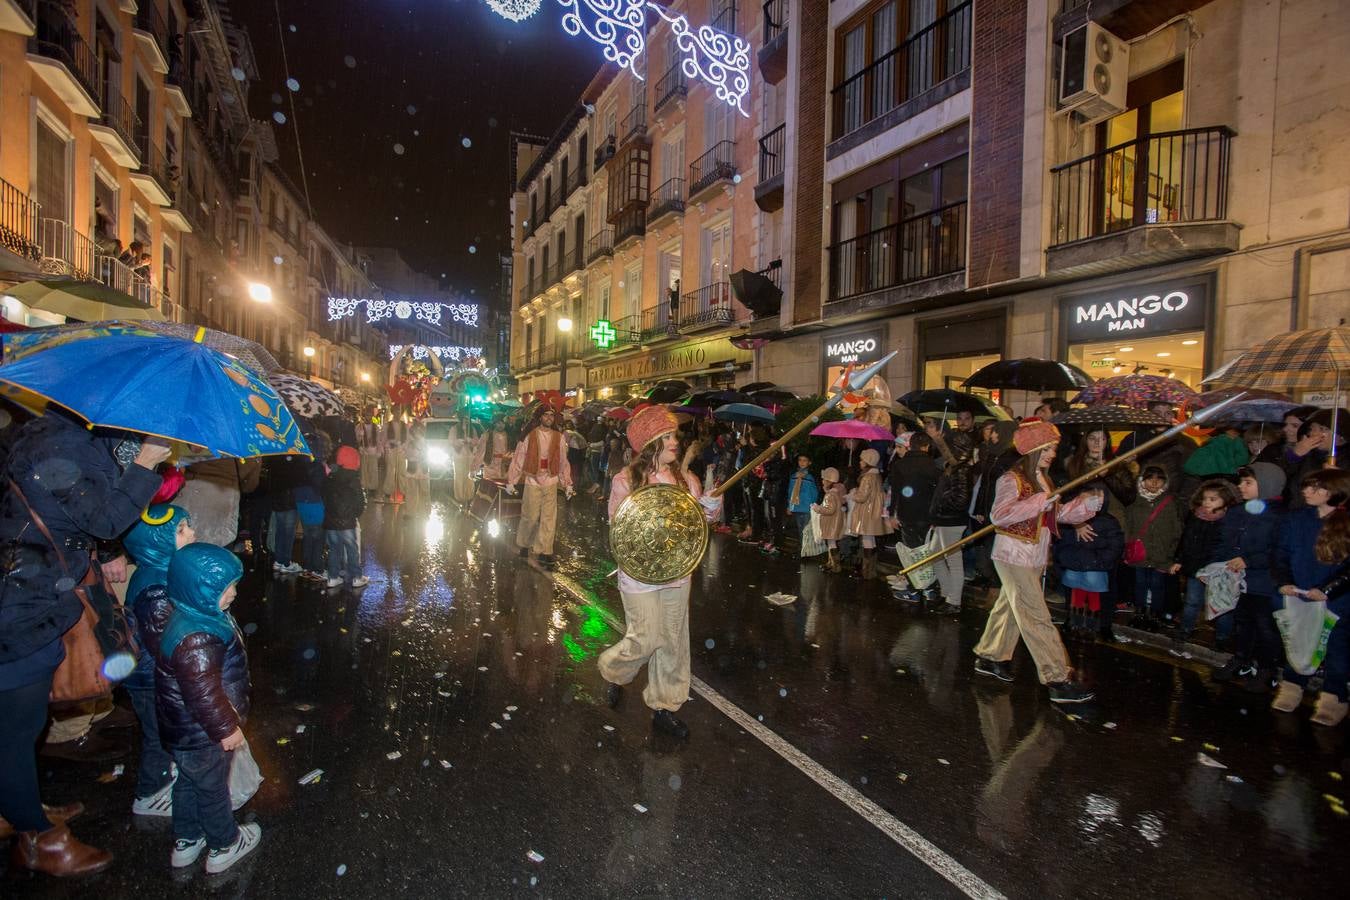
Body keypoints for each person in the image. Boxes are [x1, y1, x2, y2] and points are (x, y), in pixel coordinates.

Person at [0, 414, 168, 876]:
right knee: (16, 727)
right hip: (21, 602)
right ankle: (39, 839)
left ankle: (18, 806)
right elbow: (104, 518)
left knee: (22, 723)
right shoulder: (61, 445)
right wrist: (148, 461)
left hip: (29, 590)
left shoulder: (45, 432)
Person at [599, 407, 721, 739]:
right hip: (638, 577)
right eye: (668, 436)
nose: (675, 442)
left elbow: (700, 526)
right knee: (645, 638)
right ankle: (614, 672)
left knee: (672, 640)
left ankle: (665, 706)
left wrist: (709, 509)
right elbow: (619, 528)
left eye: (674, 436)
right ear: (651, 441)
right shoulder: (624, 481)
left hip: (678, 575)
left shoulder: (688, 481)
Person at [971, 418, 1101, 704]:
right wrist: (1039, 501)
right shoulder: (1011, 479)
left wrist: (1085, 506)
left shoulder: (1042, 479)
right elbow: (1001, 515)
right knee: (1035, 615)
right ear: (1031, 451)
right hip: (1013, 555)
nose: (1051, 455)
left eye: (1052, 449)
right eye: (1045, 450)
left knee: (1009, 608)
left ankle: (990, 655)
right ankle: (1057, 677)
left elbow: (1056, 515)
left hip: (1035, 555)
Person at [156, 543, 260, 873]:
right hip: (204, 734)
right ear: (199, 590)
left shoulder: (193, 616)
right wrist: (226, 728)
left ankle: (186, 839)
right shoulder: (197, 637)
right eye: (224, 587)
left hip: (184, 732)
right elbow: (204, 694)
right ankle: (223, 844)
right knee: (213, 788)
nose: (233, 593)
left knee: (187, 782)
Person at [122, 504, 195, 818]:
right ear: (157, 541)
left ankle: (165, 774)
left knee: (163, 730)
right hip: (152, 678)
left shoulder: (162, 572)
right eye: (181, 530)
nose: (192, 533)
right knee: (158, 735)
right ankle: (149, 793)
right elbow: (165, 642)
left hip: (153, 675)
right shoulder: (156, 588)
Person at [1270, 468, 1350, 726]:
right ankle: (1292, 688)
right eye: (1307, 486)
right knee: (1299, 642)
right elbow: (1280, 553)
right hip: (1299, 594)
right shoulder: (1296, 519)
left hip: (1337, 600)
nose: (1307, 492)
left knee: (1337, 648)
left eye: (1316, 487)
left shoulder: (1345, 523)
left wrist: (1327, 590)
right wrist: (1284, 581)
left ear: (1334, 491)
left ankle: (1334, 699)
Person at [1212, 463, 1287, 692]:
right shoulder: (1237, 512)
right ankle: (1242, 658)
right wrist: (1220, 564)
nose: (1240, 486)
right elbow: (1225, 541)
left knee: (1265, 626)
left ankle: (1267, 667)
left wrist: (1250, 560)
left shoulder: (1280, 516)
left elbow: (1279, 549)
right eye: (1242, 482)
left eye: (1248, 482)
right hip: (1239, 578)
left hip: (1265, 581)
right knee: (1243, 623)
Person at [506, 407, 574, 570]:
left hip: (551, 480)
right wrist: (511, 480)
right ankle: (524, 544)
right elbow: (518, 458)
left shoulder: (559, 437)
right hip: (532, 480)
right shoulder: (530, 435)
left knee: (549, 518)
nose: (549, 418)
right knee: (530, 515)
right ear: (540, 417)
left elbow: (564, 461)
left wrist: (568, 484)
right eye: (546, 415)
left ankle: (545, 551)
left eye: (552, 415)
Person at [1173, 479, 1240, 642]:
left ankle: (1222, 637)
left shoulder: (1230, 519)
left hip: (1218, 569)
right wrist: (1179, 559)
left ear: (1225, 499)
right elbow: (1186, 538)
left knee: (1221, 605)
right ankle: (1185, 629)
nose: (1207, 503)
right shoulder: (1196, 515)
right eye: (1205, 498)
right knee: (1191, 601)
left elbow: (1226, 545)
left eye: (1212, 499)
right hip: (1195, 567)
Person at [1053, 485, 1124, 636]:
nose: (1094, 501)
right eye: (1089, 498)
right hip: (1076, 566)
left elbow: (1115, 546)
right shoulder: (1070, 521)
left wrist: (1096, 561)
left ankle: (1098, 626)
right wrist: (1070, 559)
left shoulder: (1109, 522)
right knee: (1075, 596)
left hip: (1097, 567)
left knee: (1097, 598)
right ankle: (1073, 623)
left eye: (1099, 498)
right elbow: (1061, 544)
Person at [1123, 465, 1183, 629]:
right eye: (1150, 478)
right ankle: (1140, 613)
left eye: (1159, 479)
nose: (1154, 483)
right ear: (1143, 481)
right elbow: (1128, 525)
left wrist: (1172, 552)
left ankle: (1155, 616)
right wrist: (1128, 547)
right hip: (1140, 553)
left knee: (1158, 585)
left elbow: (1177, 529)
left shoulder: (1170, 502)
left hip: (1161, 554)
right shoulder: (1134, 501)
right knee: (1140, 583)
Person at [928, 430, 975, 615]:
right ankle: (947, 593)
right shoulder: (954, 465)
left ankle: (954, 601)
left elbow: (961, 498)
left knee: (953, 561)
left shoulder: (961, 469)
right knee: (935, 555)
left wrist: (941, 501)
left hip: (952, 520)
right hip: (944, 519)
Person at [323, 447, 368, 590]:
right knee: (352, 549)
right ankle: (356, 576)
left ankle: (333, 577)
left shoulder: (330, 475)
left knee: (334, 549)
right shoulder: (353, 479)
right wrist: (355, 514)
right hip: (348, 521)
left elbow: (325, 496)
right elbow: (359, 502)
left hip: (330, 520)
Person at [847, 448, 892, 580]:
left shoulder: (867, 477)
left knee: (867, 540)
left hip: (867, 511)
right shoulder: (877, 475)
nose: (860, 462)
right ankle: (870, 571)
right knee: (871, 540)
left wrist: (853, 494)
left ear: (868, 462)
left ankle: (865, 571)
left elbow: (862, 497)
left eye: (862, 459)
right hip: (874, 510)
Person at [812, 468, 847, 572]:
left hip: (831, 523)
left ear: (829, 481)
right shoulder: (837, 492)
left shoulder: (830, 495)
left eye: (824, 479)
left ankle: (835, 566)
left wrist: (817, 508)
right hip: (834, 522)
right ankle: (831, 563)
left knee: (831, 544)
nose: (822, 481)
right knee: (831, 543)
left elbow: (830, 510)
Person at [786, 455, 820, 551]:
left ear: (809, 462)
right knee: (800, 528)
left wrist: (813, 505)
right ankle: (802, 548)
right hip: (796, 506)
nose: (802, 462)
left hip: (807, 507)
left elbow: (815, 492)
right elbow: (790, 491)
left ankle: (806, 549)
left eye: (805, 460)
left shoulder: (811, 477)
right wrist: (789, 505)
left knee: (806, 529)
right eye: (800, 460)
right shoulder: (794, 476)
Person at [481, 417, 513, 483]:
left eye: (503, 423)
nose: (501, 425)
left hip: (504, 464)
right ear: (494, 424)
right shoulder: (488, 434)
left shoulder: (508, 435)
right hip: (491, 463)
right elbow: (481, 450)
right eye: (499, 423)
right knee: (490, 486)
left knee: (502, 487)